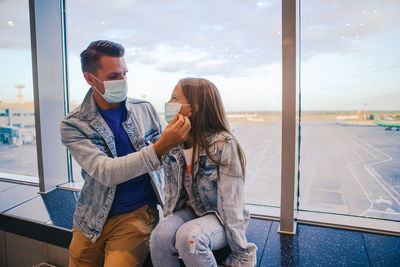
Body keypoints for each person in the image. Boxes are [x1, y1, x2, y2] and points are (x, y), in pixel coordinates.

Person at [60, 40, 190, 267]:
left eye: (124, 74)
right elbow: (105, 171)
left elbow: (172, 159)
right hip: (91, 217)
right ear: (90, 79)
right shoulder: (74, 125)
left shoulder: (145, 110)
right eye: (113, 76)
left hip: (137, 214)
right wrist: (159, 148)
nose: (122, 81)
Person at [150, 78, 257, 267]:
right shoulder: (173, 143)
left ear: (192, 109)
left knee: (189, 238)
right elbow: (171, 193)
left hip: (219, 217)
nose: (168, 103)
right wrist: (170, 223)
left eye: (174, 98)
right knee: (160, 235)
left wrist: (241, 251)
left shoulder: (223, 145)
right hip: (190, 211)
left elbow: (232, 204)